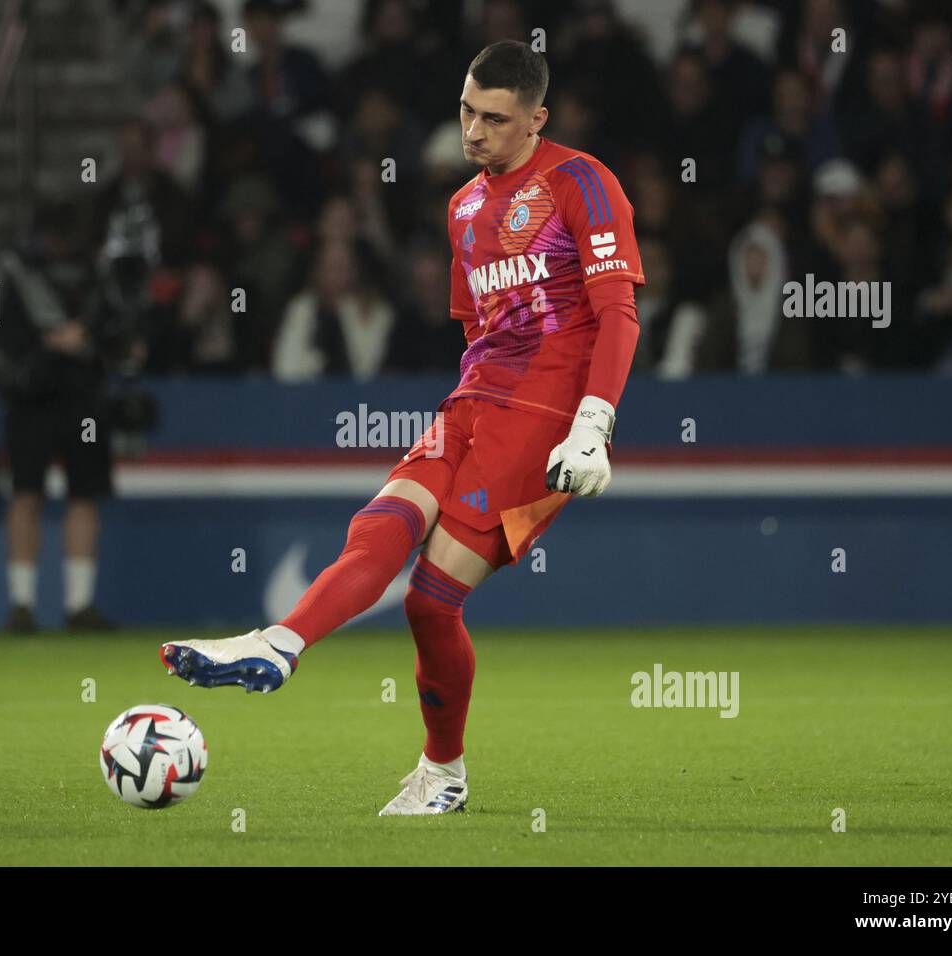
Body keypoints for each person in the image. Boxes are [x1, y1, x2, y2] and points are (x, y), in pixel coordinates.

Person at [158, 41, 645, 815]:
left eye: (494, 118)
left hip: (549, 413)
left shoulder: (579, 180)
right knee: (383, 520)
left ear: (536, 119)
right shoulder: (463, 209)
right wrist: (465, 413)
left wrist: (594, 422)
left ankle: (442, 773)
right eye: (465, 111)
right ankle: (279, 643)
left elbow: (618, 311)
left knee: (431, 596)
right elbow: (476, 331)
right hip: (474, 399)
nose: (474, 131)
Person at [0, 202, 117, 634]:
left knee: (84, 494)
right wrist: (47, 343)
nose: (62, 247)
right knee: (26, 492)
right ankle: (22, 605)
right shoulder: (13, 269)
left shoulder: (97, 270)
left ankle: (79, 605)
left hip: (83, 399)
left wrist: (90, 342)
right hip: (30, 398)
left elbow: (114, 326)